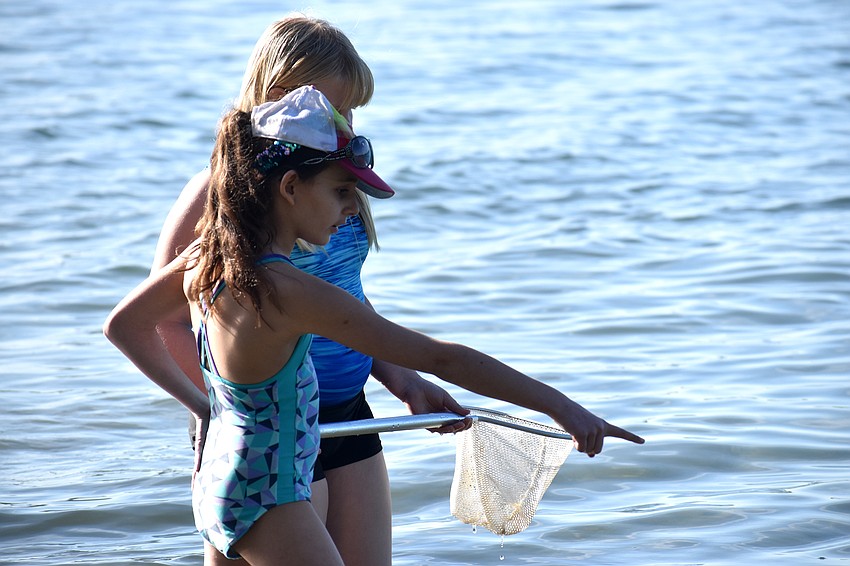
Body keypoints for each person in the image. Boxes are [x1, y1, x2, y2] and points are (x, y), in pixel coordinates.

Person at [105, 86, 644, 565]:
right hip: (272, 496)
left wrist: (206, 407)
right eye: (341, 191)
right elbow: (444, 359)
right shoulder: (294, 293)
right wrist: (562, 408)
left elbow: (124, 325)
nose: (349, 211)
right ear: (290, 186)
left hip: (224, 477)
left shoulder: (210, 258)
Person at [150, 14, 468, 565]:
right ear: (275, 94)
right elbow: (165, 320)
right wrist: (210, 409)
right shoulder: (220, 195)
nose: (342, 123)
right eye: (330, 107)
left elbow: (345, 298)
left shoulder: (334, 183)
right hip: (271, 425)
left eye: (350, 112)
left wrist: (402, 377)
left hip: (349, 409)